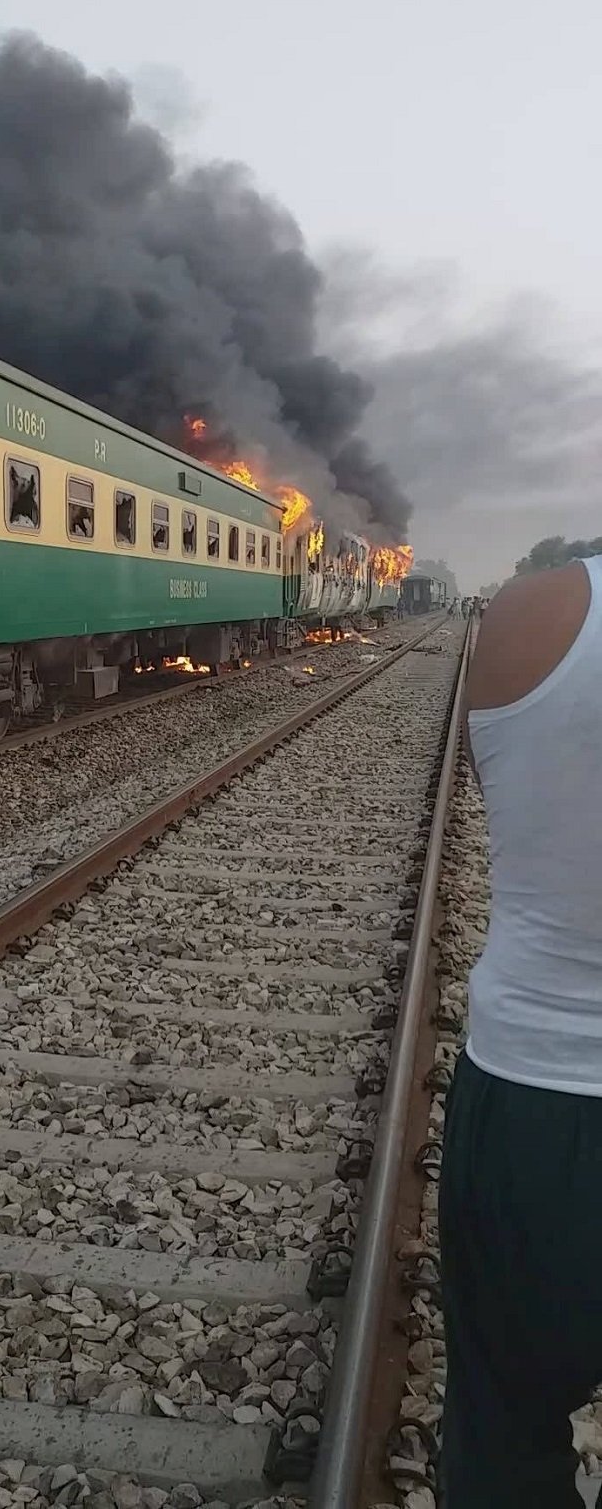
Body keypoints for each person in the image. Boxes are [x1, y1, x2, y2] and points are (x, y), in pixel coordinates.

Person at [440, 556, 602, 1507]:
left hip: (537, 1105)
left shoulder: (538, 611)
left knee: (504, 1436)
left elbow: (505, 798)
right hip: (534, 1085)